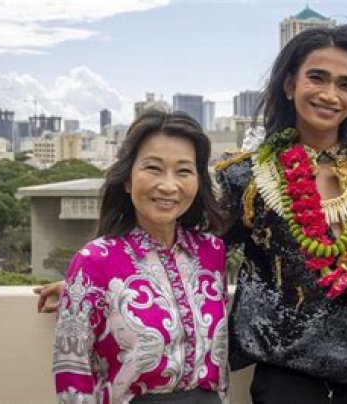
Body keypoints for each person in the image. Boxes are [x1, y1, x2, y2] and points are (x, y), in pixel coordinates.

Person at [215, 24, 347, 403]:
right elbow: (198, 255)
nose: (330, 95)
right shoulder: (246, 177)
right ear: (290, 85)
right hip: (289, 378)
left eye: (345, 84)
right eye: (317, 78)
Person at [50, 110, 228, 403]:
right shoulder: (94, 261)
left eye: (184, 171)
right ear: (128, 180)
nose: (168, 186)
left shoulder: (212, 252)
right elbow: (73, 372)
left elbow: (219, 364)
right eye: (154, 168)